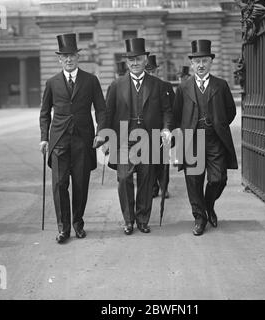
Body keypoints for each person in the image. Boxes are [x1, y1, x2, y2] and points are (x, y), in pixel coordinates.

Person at [39, 33, 107, 244]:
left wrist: (100, 133)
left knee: (80, 183)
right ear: (59, 59)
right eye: (64, 56)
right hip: (59, 140)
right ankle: (63, 228)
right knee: (59, 184)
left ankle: (78, 223)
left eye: (72, 56)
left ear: (78, 57)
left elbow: (101, 110)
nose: (69, 60)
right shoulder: (52, 83)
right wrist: (44, 138)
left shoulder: (91, 80)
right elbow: (44, 112)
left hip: (83, 140)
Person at [104, 38, 173, 235]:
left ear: (145, 60)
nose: (134, 62)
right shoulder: (116, 86)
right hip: (124, 140)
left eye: (138, 59)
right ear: (127, 62)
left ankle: (142, 219)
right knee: (124, 177)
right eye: (131, 59)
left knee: (146, 180)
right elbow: (107, 113)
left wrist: (167, 129)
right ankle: (128, 220)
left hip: (149, 140)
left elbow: (167, 111)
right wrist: (105, 136)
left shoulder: (158, 85)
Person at [173, 39, 238, 236]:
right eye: (197, 61)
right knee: (193, 181)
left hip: (214, 139)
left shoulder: (221, 85)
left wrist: (217, 124)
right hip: (192, 141)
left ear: (211, 62)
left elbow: (230, 111)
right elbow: (176, 114)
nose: (201, 65)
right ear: (192, 64)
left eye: (204, 61)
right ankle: (199, 218)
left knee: (218, 179)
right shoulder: (183, 87)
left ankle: (209, 205)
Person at [145, 55, 175, 199]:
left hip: (162, 130)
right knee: (150, 161)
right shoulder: (142, 88)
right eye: (148, 71)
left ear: (157, 71)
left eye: (153, 71)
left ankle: (164, 187)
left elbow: (173, 108)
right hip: (146, 132)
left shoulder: (165, 86)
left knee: (163, 162)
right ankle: (153, 187)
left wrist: (169, 128)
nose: (151, 74)